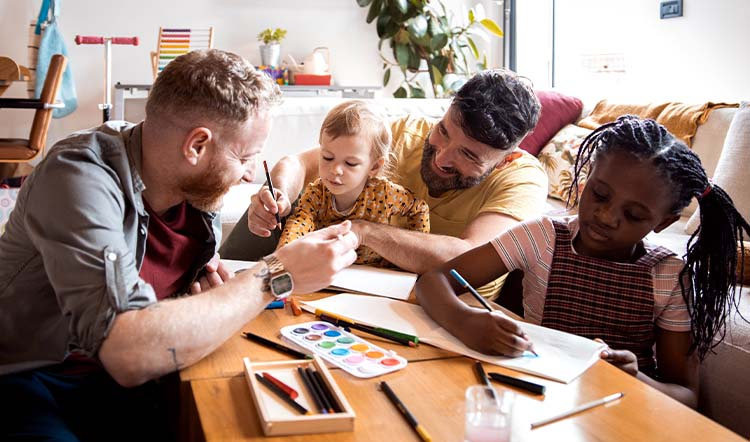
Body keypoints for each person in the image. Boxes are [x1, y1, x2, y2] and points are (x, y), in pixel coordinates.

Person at [0, 49, 358, 442]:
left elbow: (173, 299)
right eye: (245, 158)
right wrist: (274, 275)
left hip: (116, 381)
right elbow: (127, 351)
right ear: (197, 145)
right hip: (28, 373)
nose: (249, 176)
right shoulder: (77, 175)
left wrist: (205, 295)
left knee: (230, 438)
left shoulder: (194, 189)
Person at [415, 115, 750, 408]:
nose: (606, 216)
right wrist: (466, 321)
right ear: (587, 178)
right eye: (599, 195)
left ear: (662, 223)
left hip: (623, 419)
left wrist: (636, 379)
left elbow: (686, 397)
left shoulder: (667, 275)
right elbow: (434, 280)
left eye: (633, 215)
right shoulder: (541, 237)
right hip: (539, 400)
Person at [221, 69, 548, 297]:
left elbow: (469, 256)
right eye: (444, 131)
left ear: (506, 158)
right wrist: (278, 194)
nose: (442, 157)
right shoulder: (406, 132)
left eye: (468, 155)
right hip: (345, 287)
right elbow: (298, 163)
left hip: (440, 309)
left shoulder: (522, 179)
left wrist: (362, 230)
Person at [277, 100, 430, 265]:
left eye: (350, 163)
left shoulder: (385, 194)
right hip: (329, 270)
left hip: (376, 275)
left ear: (374, 166)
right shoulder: (316, 194)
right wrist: (282, 259)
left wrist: (408, 261)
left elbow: (418, 208)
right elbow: (298, 224)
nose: (335, 170)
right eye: (327, 157)